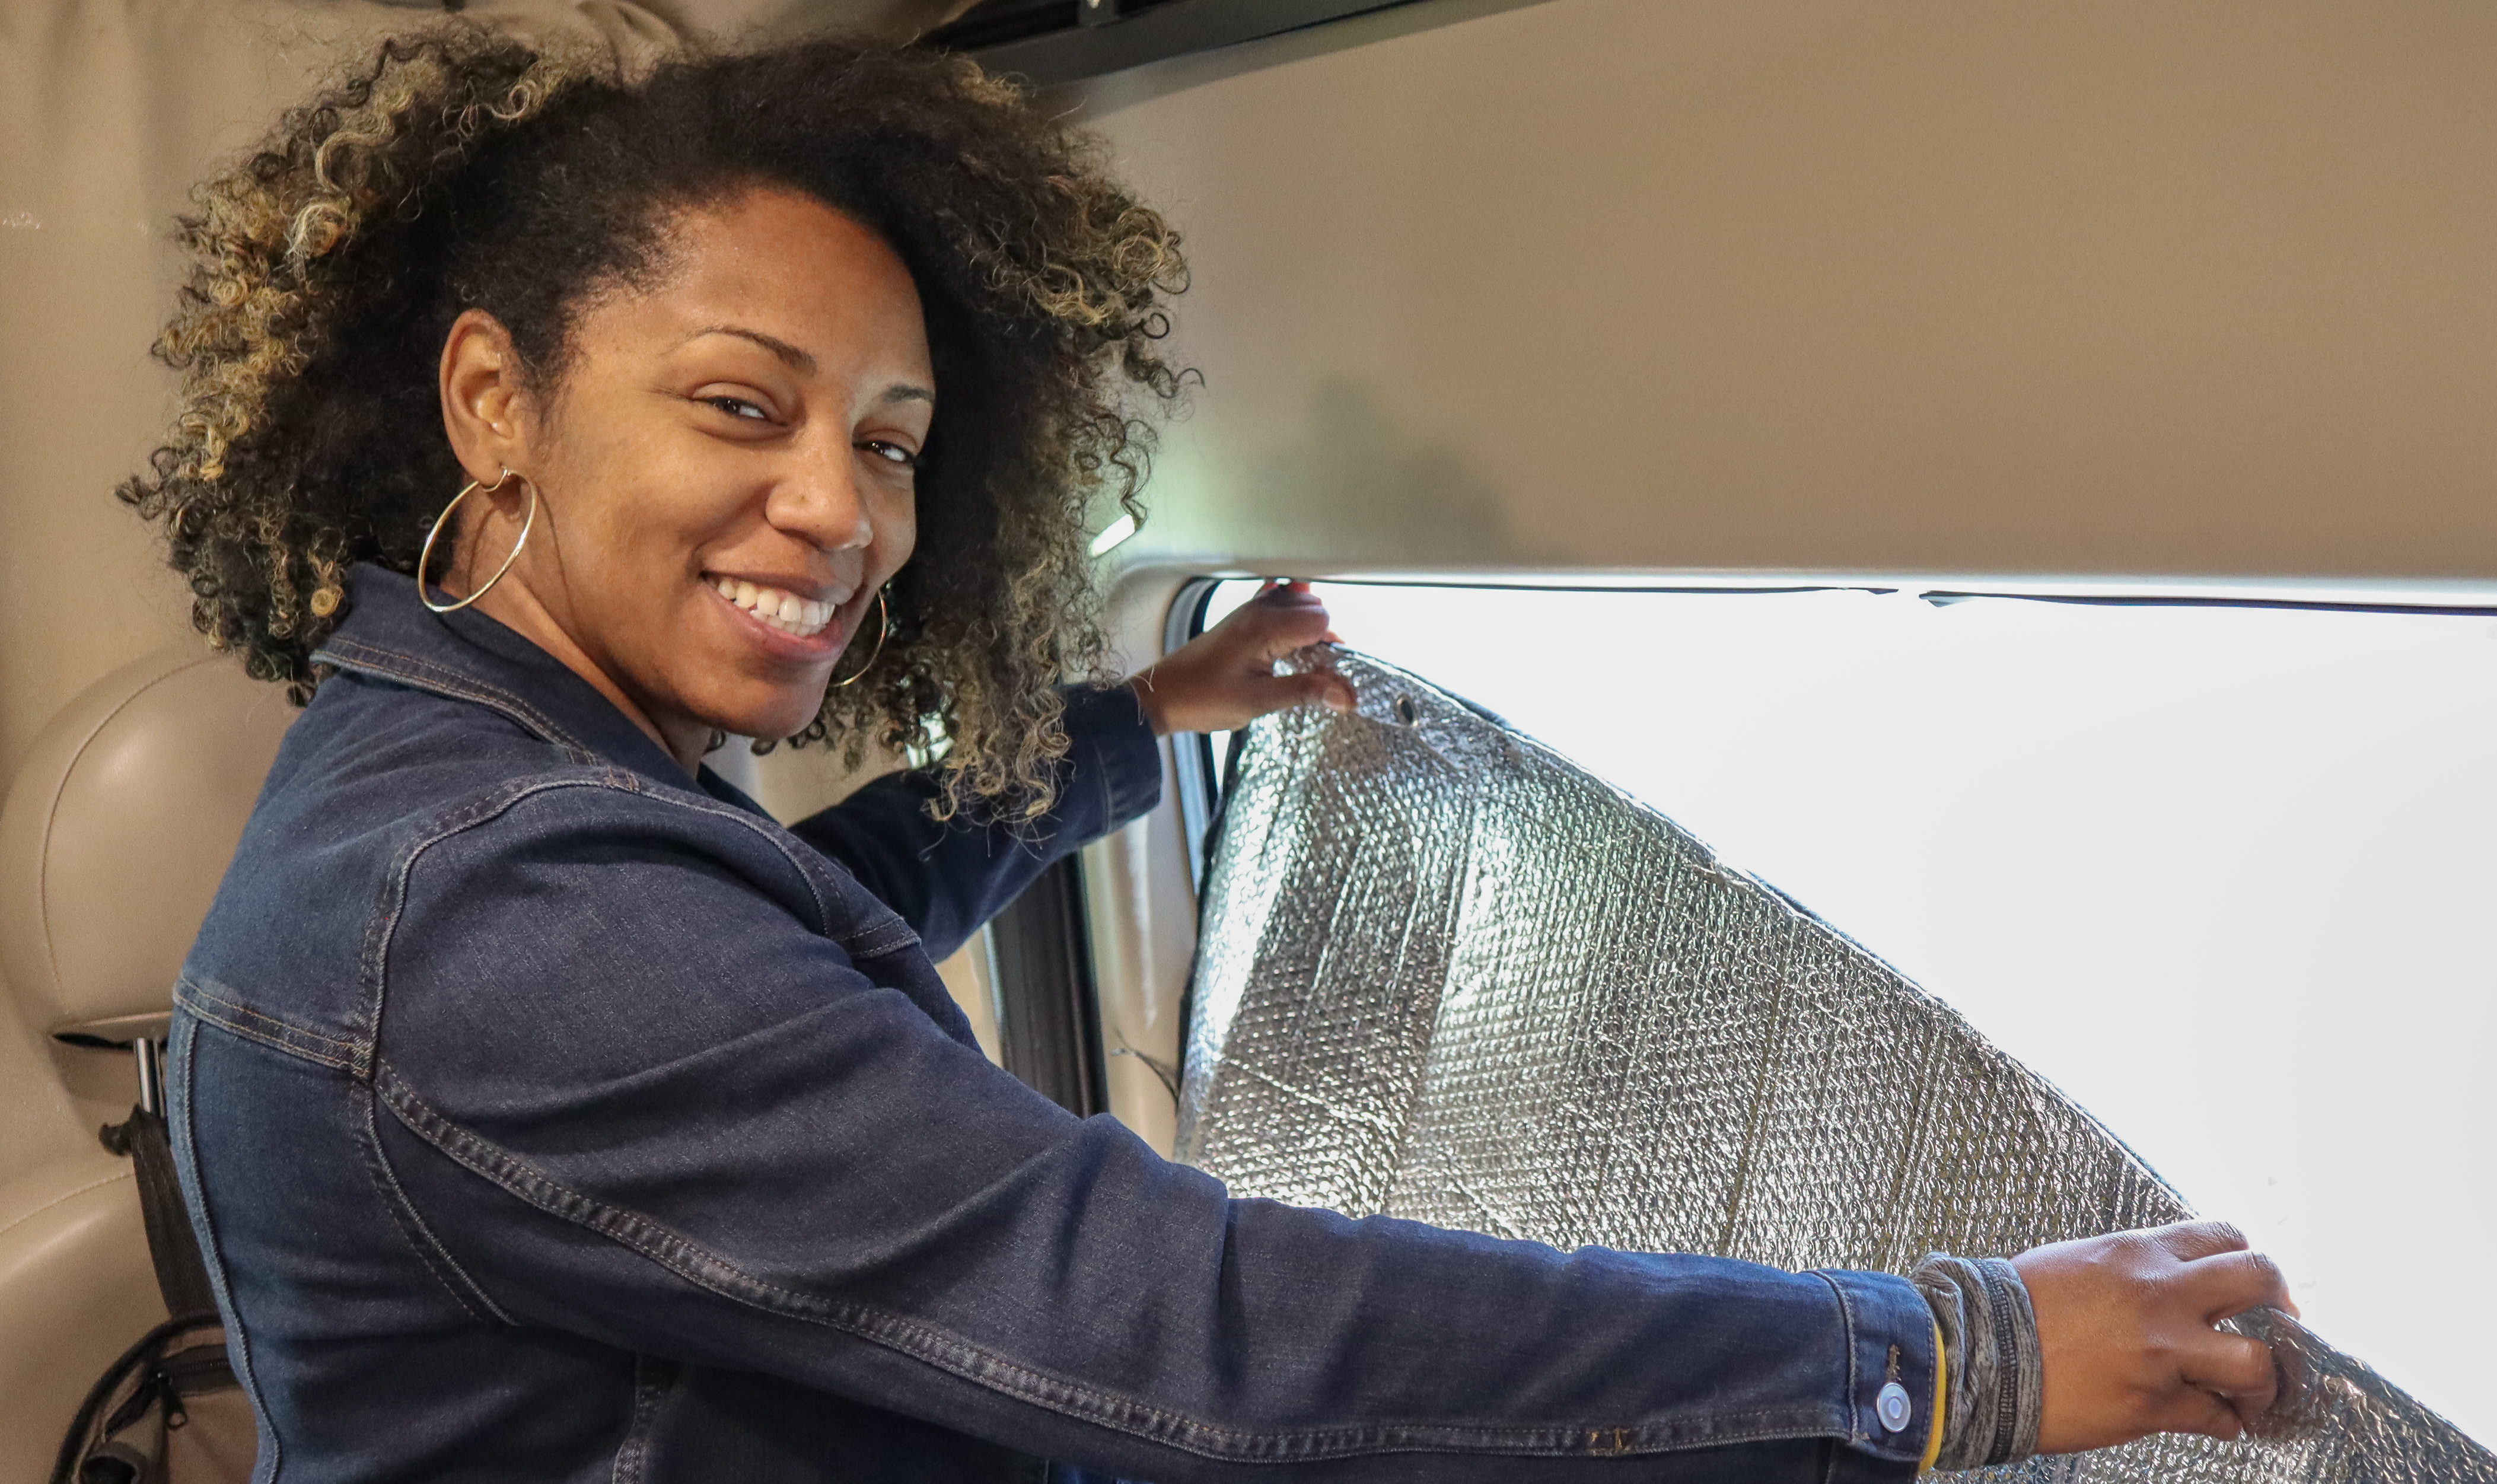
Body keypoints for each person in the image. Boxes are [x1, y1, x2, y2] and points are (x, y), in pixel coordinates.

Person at [134, 26, 2294, 1483]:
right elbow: (1189, 1327)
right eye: (738, 405)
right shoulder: (502, 901)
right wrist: (1933, 1358)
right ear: (492, 402)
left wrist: (1137, 720)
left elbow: (821, 926)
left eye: (889, 445)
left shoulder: (463, 786)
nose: (839, 511)